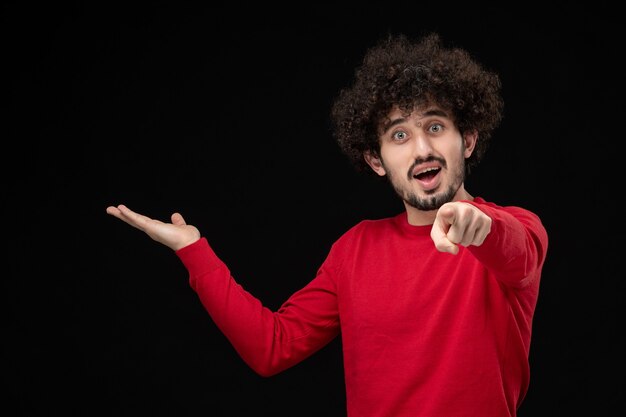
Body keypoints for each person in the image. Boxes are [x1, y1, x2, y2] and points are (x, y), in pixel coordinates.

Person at [106, 32, 549, 417]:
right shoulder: (355, 250)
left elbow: (512, 249)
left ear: (466, 139)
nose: (421, 150)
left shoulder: (518, 228)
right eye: (399, 135)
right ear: (376, 161)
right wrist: (193, 250)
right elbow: (271, 347)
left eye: (435, 126)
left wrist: (476, 223)